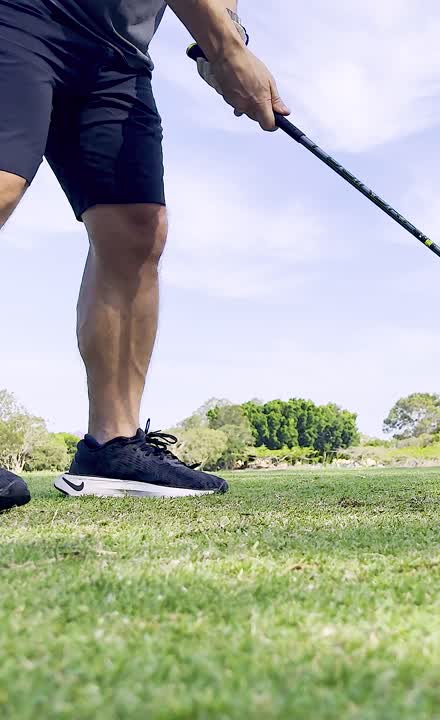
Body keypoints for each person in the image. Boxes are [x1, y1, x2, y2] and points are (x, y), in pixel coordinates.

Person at [0, 0, 288, 511]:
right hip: (20, 16)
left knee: (136, 230)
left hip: (115, 55)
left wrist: (220, 40)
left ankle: (112, 446)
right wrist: (226, 52)